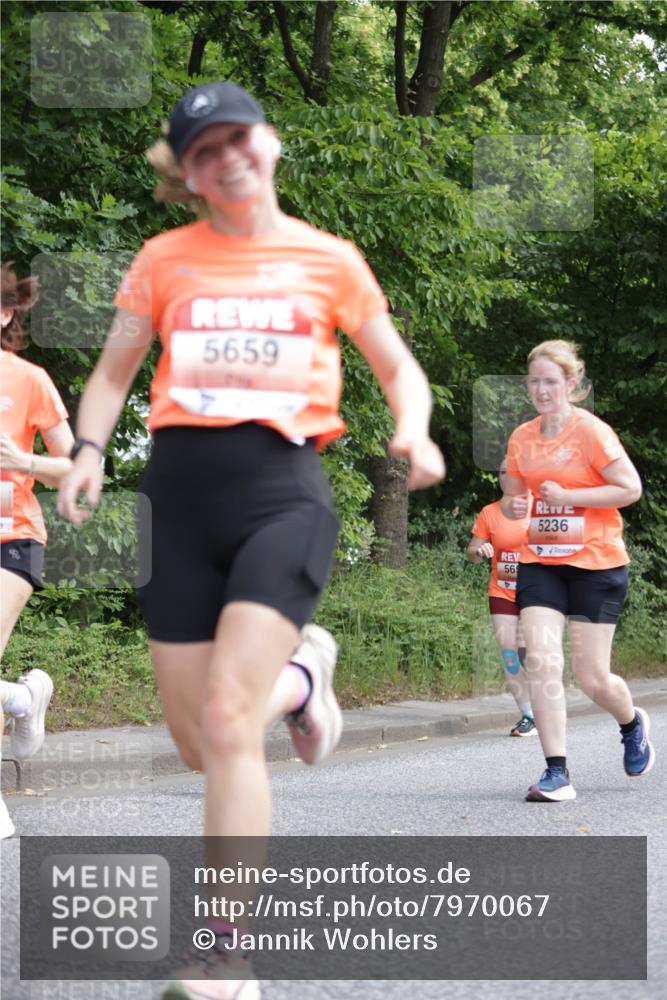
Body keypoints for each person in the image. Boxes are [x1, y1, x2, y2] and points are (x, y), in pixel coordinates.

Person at [57, 81, 445, 999]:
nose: (226, 155)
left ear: (267, 144)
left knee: (231, 724)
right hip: (177, 505)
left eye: (238, 137)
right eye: (204, 150)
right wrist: (83, 451)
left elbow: (398, 368)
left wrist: (415, 426)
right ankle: (306, 678)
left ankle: (224, 949)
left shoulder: (330, 259)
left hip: (282, 496)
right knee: (199, 744)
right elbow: (113, 373)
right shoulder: (162, 259)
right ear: (189, 175)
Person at [502, 339, 653, 803]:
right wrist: (516, 502)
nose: (541, 390)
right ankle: (557, 772)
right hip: (540, 563)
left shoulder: (591, 432)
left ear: (571, 384)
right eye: (534, 381)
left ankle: (631, 722)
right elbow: (510, 494)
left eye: (551, 381)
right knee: (544, 661)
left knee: (593, 679)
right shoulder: (522, 437)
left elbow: (630, 488)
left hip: (596, 564)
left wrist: (571, 498)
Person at [0, 262, 74, 840]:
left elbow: (72, 466)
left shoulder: (29, 380)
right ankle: (24, 699)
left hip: (13, 536)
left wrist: (24, 462)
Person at [467, 459, 535, 736]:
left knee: (529, 652)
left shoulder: (540, 509)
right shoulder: (490, 513)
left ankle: (545, 704)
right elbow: (471, 552)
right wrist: (479, 550)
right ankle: (528, 716)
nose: (506, 476)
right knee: (510, 653)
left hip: (537, 590)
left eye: (513, 472)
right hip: (502, 590)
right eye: (502, 472)